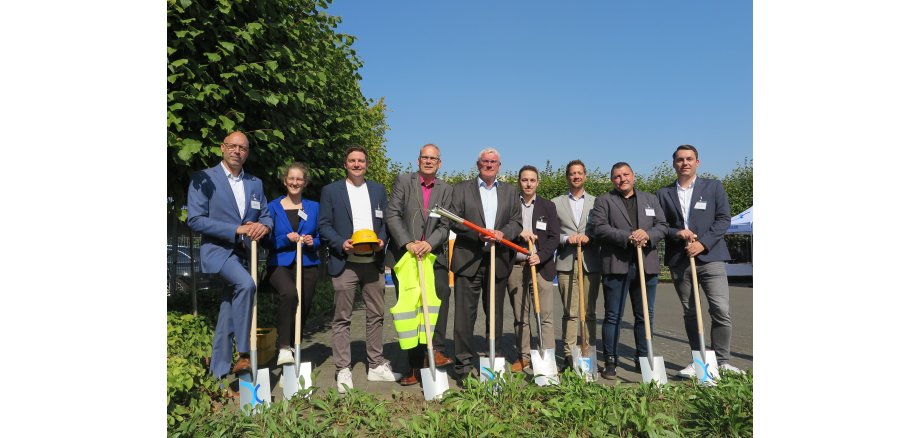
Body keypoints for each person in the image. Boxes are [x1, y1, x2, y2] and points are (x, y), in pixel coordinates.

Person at [186, 131, 272, 379]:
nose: (237, 151)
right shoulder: (204, 178)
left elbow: (265, 215)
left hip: (245, 254)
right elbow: (195, 219)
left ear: (247, 153)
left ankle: (218, 373)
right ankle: (244, 354)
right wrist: (236, 229)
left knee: (227, 310)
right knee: (246, 285)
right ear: (222, 148)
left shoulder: (255, 183)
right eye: (232, 146)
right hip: (218, 252)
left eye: (243, 148)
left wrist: (263, 226)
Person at [318, 145, 401, 393]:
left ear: (366, 164)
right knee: (342, 317)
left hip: (373, 263)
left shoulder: (377, 189)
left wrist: (382, 241)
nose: (357, 164)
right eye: (352, 160)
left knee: (376, 315)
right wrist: (340, 243)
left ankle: (375, 365)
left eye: (361, 161)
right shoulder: (331, 191)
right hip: (345, 263)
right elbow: (324, 225)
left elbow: (385, 223)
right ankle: (343, 368)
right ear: (345, 164)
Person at [656, 144, 741, 376]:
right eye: (680, 159)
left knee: (720, 309)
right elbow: (661, 226)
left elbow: (723, 219)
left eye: (689, 159)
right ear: (674, 163)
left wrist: (702, 243)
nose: (685, 163)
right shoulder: (663, 193)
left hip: (710, 257)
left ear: (697, 162)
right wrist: (676, 232)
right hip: (680, 260)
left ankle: (722, 361)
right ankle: (699, 360)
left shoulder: (713, 187)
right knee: (691, 312)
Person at [449, 147, 522, 383]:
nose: (489, 165)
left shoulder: (510, 192)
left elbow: (516, 222)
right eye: (485, 161)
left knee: (495, 314)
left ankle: (494, 359)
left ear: (499, 165)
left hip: (497, 259)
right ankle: (462, 366)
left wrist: (503, 233)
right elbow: (454, 219)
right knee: (464, 317)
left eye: (493, 162)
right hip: (468, 258)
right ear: (477, 164)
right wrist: (477, 234)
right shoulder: (461, 189)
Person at [589, 162, 667, 379]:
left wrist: (648, 235)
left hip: (646, 266)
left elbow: (663, 225)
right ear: (612, 180)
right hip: (617, 264)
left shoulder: (651, 199)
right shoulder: (604, 200)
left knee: (645, 316)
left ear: (633, 176)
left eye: (625, 174)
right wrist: (628, 236)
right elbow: (599, 228)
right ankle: (611, 362)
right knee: (613, 316)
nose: (622, 179)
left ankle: (643, 358)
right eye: (616, 176)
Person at [385, 144, 455, 386]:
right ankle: (414, 366)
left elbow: (445, 224)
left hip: (433, 256)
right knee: (410, 308)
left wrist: (429, 244)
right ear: (418, 161)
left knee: (441, 295)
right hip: (406, 256)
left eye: (433, 158)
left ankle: (435, 350)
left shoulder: (446, 189)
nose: (428, 161)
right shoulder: (404, 182)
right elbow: (392, 214)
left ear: (439, 163)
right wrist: (407, 243)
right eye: (424, 157)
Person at [263, 162, 321, 366]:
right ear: (285, 180)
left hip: (307, 263)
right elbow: (265, 240)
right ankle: (283, 347)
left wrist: (314, 242)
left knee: (303, 305)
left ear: (305, 182)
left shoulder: (314, 207)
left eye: (299, 179)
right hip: (280, 263)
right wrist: (285, 239)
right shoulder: (272, 207)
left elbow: (321, 236)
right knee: (289, 294)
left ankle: (295, 346)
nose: (295, 182)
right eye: (291, 178)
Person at [507, 165, 560, 373]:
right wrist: (519, 234)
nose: (528, 184)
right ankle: (524, 357)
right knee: (521, 317)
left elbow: (554, 237)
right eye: (524, 180)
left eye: (532, 180)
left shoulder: (548, 206)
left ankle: (547, 357)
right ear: (519, 182)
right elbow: (505, 233)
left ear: (537, 182)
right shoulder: (511, 206)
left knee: (545, 316)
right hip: (517, 267)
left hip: (541, 267)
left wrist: (541, 255)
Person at [550, 159, 602, 370]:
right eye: (572, 173)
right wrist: (565, 239)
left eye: (580, 173)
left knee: (589, 312)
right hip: (566, 262)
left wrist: (591, 237)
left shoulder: (597, 202)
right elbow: (552, 233)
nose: (576, 176)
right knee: (570, 312)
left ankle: (588, 353)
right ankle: (569, 355)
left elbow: (602, 229)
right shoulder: (555, 203)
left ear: (585, 176)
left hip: (590, 262)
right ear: (567, 177)